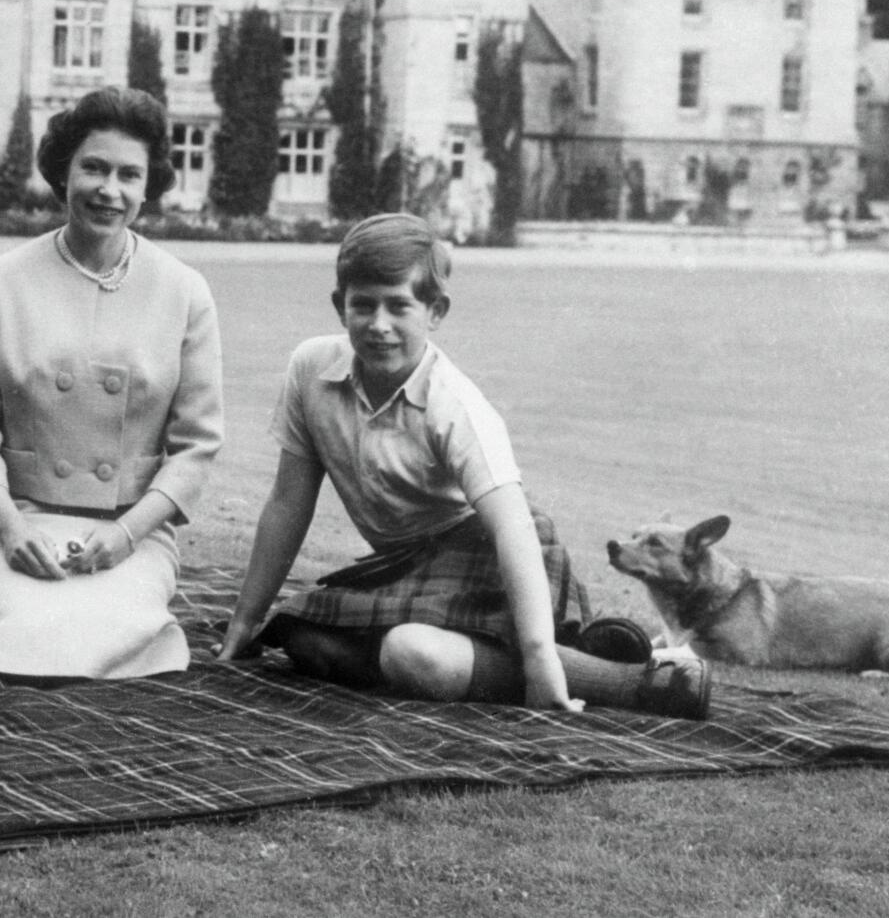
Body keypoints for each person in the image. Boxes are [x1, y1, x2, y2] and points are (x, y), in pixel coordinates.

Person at [217, 214, 711, 719]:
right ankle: (581, 647)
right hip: (404, 566)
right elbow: (287, 503)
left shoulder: (454, 404)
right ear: (338, 306)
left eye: (398, 306)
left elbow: (513, 527)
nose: (379, 325)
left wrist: (538, 659)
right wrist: (244, 620)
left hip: (490, 552)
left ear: (435, 311)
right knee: (300, 637)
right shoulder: (310, 369)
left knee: (410, 653)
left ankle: (634, 680)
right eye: (362, 305)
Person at [0, 86, 223, 678]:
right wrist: (11, 526)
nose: (109, 189)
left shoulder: (184, 290)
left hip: (129, 529)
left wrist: (128, 534)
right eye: (93, 167)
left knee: (109, 634)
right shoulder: (0, 281)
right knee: (23, 631)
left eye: (129, 174)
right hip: (19, 520)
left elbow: (198, 447)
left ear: (149, 186)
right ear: (62, 172)